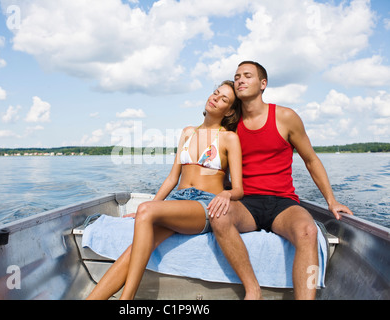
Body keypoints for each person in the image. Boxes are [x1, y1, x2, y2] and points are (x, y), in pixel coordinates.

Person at [86, 80, 243, 300]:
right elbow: (172, 178)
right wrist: (148, 207)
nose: (215, 98)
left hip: (204, 204)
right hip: (178, 200)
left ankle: (126, 299)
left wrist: (226, 194)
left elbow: (238, 189)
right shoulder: (188, 132)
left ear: (229, 111)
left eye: (223, 98)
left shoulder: (229, 138)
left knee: (147, 213)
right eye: (215, 93)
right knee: (136, 248)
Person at [209, 61, 354, 300]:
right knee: (218, 216)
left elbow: (311, 160)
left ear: (263, 84)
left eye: (247, 76)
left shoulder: (286, 117)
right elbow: (219, 169)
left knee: (308, 231)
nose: (240, 80)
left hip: (283, 202)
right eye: (236, 77)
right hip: (247, 202)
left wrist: (331, 200)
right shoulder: (230, 125)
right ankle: (253, 290)